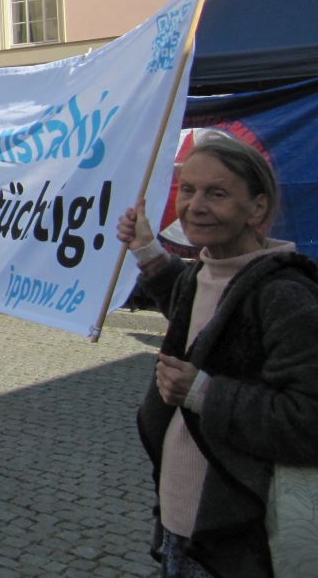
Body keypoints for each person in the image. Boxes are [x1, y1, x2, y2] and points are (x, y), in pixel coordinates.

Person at [117, 132, 318, 578]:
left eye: (217, 193)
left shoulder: (286, 296)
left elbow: (308, 420)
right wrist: (149, 252)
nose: (195, 206)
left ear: (258, 208)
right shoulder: (204, 272)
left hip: (242, 536)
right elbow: (201, 314)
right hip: (179, 524)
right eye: (187, 190)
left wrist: (204, 392)